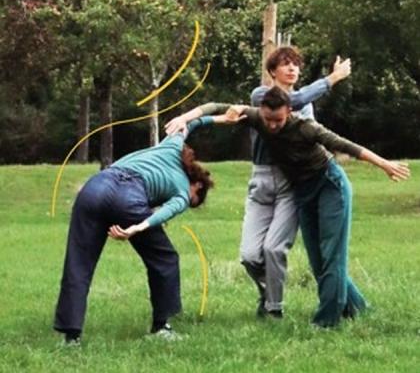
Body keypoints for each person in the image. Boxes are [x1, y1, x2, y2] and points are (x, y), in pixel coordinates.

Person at [179, 86, 410, 327]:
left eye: (278, 120)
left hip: (329, 185)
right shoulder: (258, 117)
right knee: (317, 260)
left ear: (289, 111)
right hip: (303, 191)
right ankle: (357, 307)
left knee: (332, 254)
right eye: (268, 119)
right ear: (262, 111)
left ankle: (326, 322)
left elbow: (347, 146)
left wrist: (385, 164)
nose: (272, 125)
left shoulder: (306, 128)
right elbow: (215, 106)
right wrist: (184, 118)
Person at [166, 47, 352, 319]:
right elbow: (293, 99)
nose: (292, 68)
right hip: (262, 179)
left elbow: (307, 127)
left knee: (279, 249)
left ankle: (276, 309)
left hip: (294, 182)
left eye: (295, 64)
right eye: (285, 64)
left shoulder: (305, 105)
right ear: (272, 71)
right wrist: (333, 78)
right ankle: (268, 292)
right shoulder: (260, 96)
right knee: (250, 256)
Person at [53, 117, 216, 345]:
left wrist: (218, 117)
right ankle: (161, 327)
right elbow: (164, 212)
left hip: (95, 186)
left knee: (79, 262)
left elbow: (188, 125)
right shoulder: (182, 192)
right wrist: (137, 228)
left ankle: (71, 337)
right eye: (193, 201)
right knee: (166, 258)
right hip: (128, 196)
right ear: (197, 185)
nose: (187, 203)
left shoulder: (171, 147)